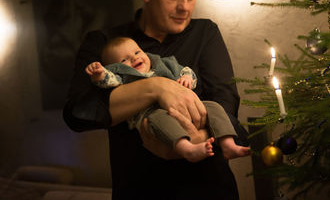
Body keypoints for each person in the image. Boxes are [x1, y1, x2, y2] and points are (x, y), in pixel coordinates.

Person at [63, 0, 249, 200]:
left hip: (209, 189)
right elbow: (78, 114)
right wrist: (157, 88)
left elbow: (228, 107)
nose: (184, 7)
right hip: (140, 189)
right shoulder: (104, 43)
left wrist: (193, 141)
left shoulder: (205, 33)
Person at [85, 37, 250, 162]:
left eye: (137, 52)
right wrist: (99, 74)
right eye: (124, 60)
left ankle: (227, 143)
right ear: (116, 67)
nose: (134, 58)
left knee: (213, 106)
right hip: (152, 114)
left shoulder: (163, 64)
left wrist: (186, 78)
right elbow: (109, 81)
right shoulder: (124, 76)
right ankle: (186, 148)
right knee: (158, 119)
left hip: (187, 108)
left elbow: (185, 71)